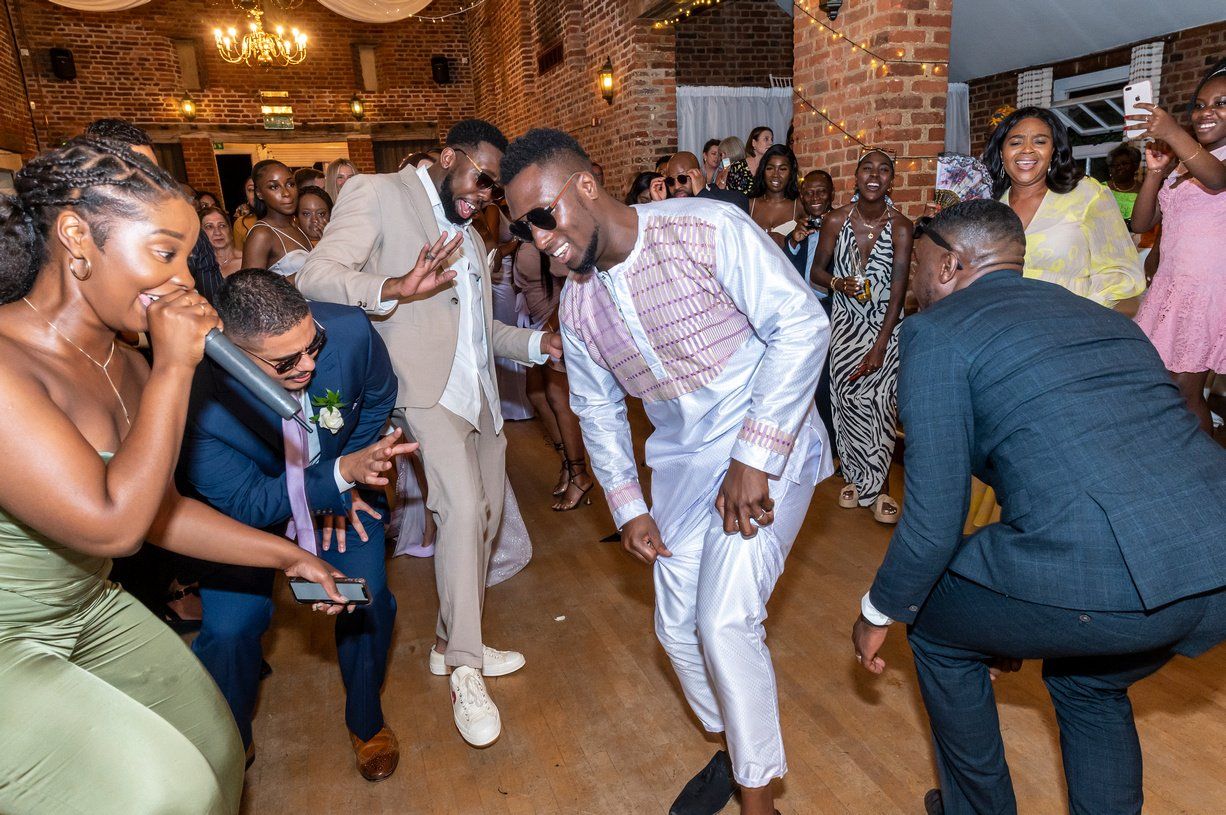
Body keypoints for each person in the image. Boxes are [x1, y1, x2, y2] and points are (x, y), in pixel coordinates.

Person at [0, 135, 350, 815]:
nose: (187, 282)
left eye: (187, 260)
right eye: (163, 253)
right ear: (76, 235)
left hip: (86, 606)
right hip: (7, 636)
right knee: (168, 790)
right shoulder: (8, 365)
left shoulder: (125, 362)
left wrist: (291, 556)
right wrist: (172, 368)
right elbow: (116, 525)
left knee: (216, 742)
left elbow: (161, 508)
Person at [852, 199, 1226, 815]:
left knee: (936, 628)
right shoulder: (1101, 318)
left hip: (1116, 575)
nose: (911, 284)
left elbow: (935, 521)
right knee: (1086, 684)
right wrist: (1008, 611)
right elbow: (1062, 465)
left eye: (915, 265)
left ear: (948, 265)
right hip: (1212, 560)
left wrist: (878, 610)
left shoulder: (936, 331)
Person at [502, 128, 833, 815]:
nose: (539, 239)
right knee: (676, 630)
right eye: (523, 228)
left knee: (722, 620)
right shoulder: (582, 303)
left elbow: (802, 324)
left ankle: (757, 798)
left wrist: (754, 455)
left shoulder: (706, 227)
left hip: (767, 443)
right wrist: (628, 507)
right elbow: (594, 407)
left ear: (585, 184)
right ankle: (738, 743)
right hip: (683, 466)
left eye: (544, 216)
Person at [296, 119, 561, 748]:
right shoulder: (378, 192)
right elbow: (316, 276)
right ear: (449, 156)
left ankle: (447, 642)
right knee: (462, 510)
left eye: (496, 191)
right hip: (423, 393)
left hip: (481, 400)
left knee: (487, 518)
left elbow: (480, 331)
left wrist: (536, 343)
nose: (485, 197)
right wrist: (391, 288)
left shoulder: (470, 235)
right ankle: (465, 672)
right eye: (482, 179)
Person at [180, 269, 433, 780]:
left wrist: (352, 476)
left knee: (368, 596)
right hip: (248, 517)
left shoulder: (351, 331)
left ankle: (366, 720)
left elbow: (378, 396)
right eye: (286, 361)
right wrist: (337, 476)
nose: (310, 364)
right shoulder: (196, 402)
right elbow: (249, 504)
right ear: (233, 354)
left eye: (312, 343)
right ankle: (233, 735)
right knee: (229, 629)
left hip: (339, 497)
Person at [811, 149, 912, 524]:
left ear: (891, 180)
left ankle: (882, 490)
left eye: (884, 170)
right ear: (855, 176)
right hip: (845, 329)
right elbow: (816, 273)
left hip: (885, 330)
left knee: (882, 407)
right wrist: (838, 282)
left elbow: (899, 292)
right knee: (848, 405)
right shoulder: (835, 220)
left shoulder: (902, 226)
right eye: (867, 169)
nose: (875, 175)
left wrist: (881, 345)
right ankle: (854, 480)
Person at [1129, 59, 1226, 434]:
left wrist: (1171, 131)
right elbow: (1142, 223)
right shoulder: (1186, 165)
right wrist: (1154, 172)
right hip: (1171, 288)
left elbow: (1217, 179)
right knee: (1165, 385)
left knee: (1186, 392)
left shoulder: (1209, 163)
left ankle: (1200, 476)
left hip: (1204, 291)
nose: (1206, 112)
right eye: (1200, 104)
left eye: (1220, 103)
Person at [982, 107, 1144, 308]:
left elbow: (1122, 272)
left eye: (1040, 141)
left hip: (1068, 323)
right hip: (1003, 322)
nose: (1027, 149)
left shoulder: (1087, 194)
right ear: (1001, 153)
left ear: (1054, 152)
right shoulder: (990, 208)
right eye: (1015, 142)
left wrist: (1081, 315)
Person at [512, 241, 595, 511]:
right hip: (536, 323)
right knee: (535, 394)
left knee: (558, 398)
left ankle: (579, 474)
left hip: (555, 322)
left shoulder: (552, 235)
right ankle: (568, 464)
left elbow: (574, 283)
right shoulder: (524, 233)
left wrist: (554, 325)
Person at [783, 169, 837, 459]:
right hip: (800, 313)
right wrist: (793, 240)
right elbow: (787, 271)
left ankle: (830, 445)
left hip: (829, 309)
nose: (815, 197)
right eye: (809, 193)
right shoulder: (800, 228)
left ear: (831, 195)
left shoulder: (840, 226)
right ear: (802, 197)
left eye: (821, 192)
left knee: (826, 380)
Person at [242, 159, 314, 281]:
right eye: (274, 187)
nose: (286, 193)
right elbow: (249, 293)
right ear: (259, 193)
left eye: (290, 184)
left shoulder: (298, 224)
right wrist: (305, 277)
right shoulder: (261, 234)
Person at [656, 151, 750, 213]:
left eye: (682, 179)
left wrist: (702, 194)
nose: (676, 187)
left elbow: (736, 216)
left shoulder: (733, 198)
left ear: (698, 174)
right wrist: (658, 206)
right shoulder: (668, 203)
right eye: (670, 181)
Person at [747, 144, 803, 247]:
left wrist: (787, 242)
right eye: (770, 168)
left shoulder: (799, 205)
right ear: (763, 170)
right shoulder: (750, 204)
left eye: (782, 169)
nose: (775, 175)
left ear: (791, 172)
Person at [726, 126, 773, 196]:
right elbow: (729, 194)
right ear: (754, 143)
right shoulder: (737, 167)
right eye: (766, 139)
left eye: (771, 139)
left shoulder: (772, 166)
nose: (770, 143)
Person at [1105, 143, 1143, 224]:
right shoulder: (1101, 188)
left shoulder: (1144, 191)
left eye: (1124, 163)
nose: (1119, 167)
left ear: (1135, 166)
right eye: (1115, 165)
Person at [201, 206, 243, 278]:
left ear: (230, 230)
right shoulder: (199, 267)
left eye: (222, 226)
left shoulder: (246, 260)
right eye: (209, 227)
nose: (217, 232)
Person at [232, 177, 258, 249]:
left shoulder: (288, 217)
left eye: (260, 188)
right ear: (246, 196)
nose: (257, 194)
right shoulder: (241, 224)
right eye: (251, 190)